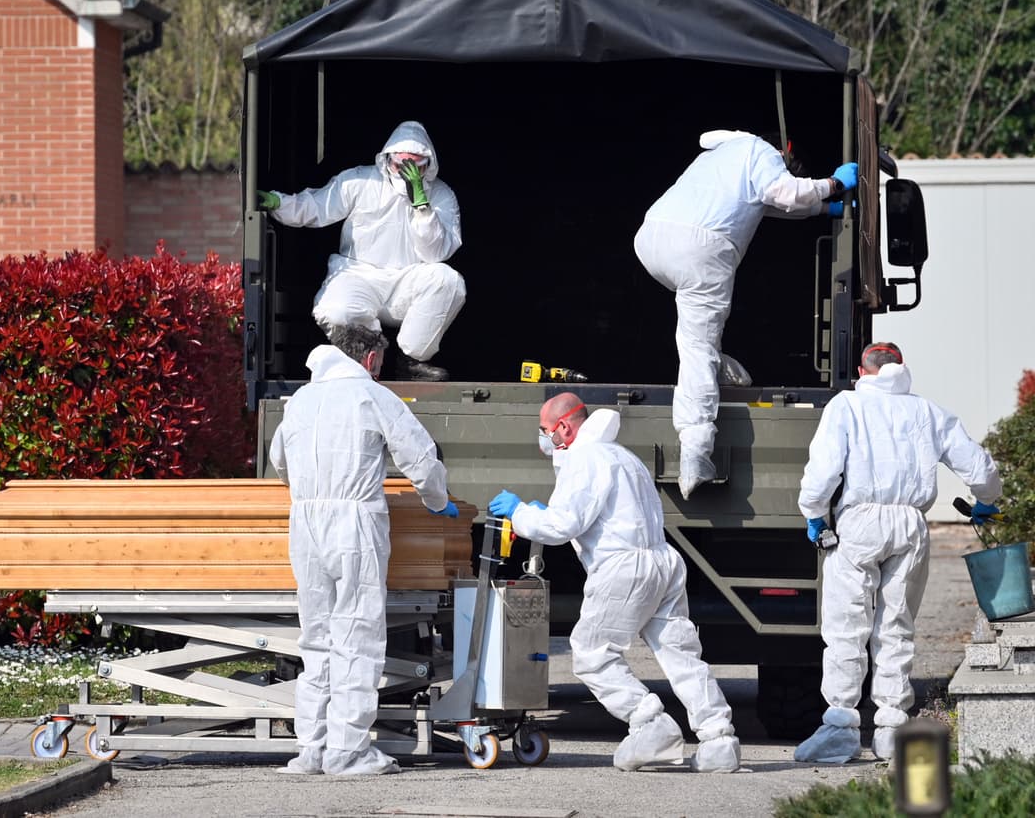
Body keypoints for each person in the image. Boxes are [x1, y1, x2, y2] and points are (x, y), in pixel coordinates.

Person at [488, 392, 740, 772]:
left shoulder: (585, 458)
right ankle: (719, 738)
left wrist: (520, 512)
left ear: (564, 427)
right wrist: (546, 512)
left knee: (592, 654)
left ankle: (650, 724)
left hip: (623, 567)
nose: (544, 438)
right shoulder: (623, 456)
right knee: (681, 654)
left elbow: (561, 526)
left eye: (545, 429)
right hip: (662, 561)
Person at [794, 342, 1002, 763]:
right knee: (896, 624)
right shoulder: (927, 410)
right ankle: (890, 728)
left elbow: (824, 468)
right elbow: (979, 466)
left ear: (861, 371)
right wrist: (985, 501)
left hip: (859, 523)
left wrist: (814, 513)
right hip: (911, 523)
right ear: (902, 368)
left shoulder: (847, 405)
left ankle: (840, 728)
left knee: (847, 625)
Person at [268, 324, 460, 775]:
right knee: (357, 634)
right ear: (370, 359)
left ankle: (311, 748)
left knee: (316, 636)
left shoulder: (300, 401)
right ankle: (348, 751)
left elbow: (280, 461)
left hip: (305, 522)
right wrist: (438, 500)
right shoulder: (371, 396)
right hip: (353, 522)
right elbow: (419, 457)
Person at [633, 130, 859, 498]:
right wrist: (833, 184)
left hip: (652, 239)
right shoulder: (762, 150)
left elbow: (770, 204)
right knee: (697, 347)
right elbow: (786, 192)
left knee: (695, 338)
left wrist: (823, 209)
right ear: (786, 150)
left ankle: (714, 364)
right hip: (701, 248)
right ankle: (695, 454)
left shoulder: (724, 156)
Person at [257, 120, 464, 381]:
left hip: (407, 281)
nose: (406, 174)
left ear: (428, 165)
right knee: (335, 309)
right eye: (401, 165)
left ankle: (411, 362)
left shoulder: (441, 195)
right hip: (359, 275)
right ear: (387, 159)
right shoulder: (360, 180)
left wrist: (421, 205)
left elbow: (436, 254)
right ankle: (365, 364)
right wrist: (278, 202)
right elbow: (316, 207)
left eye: (415, 167)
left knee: (448, 280)